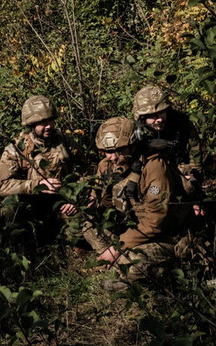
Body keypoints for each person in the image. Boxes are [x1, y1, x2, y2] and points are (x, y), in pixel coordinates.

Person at [82, 117, 193, 291]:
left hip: (166, 237)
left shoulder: (154, 167)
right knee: (88, 225)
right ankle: (118, 264)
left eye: (118, 150)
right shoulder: (106, 165)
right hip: (133, 229)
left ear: (133, 144)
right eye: (107, 151)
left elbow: (155, 222)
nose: (112, 157)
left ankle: (171, 276)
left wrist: (116, 248)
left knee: (134, 265)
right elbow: (105, 203)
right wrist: (93, 204)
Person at [0, 95, 79, 245]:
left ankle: (56, 237)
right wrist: (38, 185)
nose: (48, 126)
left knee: (79, 230)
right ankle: (24, 245)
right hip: (31, 202)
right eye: (42, 122)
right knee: (10, 208)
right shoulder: (16, 149)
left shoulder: (66, 143)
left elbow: (84, 173)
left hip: (61, 201)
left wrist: (75, 201)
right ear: (31, 124)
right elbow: (3, 186)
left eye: (50, 120)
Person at [132, 85, 204, 216]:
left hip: (179, 169)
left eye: (161, 113)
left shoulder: (181, 123)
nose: (159, 119)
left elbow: (195, 156)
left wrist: (194, 182)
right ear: (142, 117)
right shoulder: (136, 132)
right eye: (152, 116)